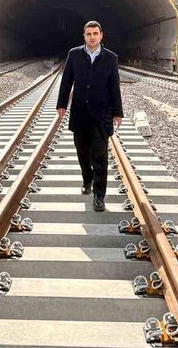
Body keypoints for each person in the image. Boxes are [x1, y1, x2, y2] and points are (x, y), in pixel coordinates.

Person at [56, 21, 123, 212]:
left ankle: (99, 196)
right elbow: (67, 80)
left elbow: (114, 86)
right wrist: (62, 104)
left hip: (102, 114)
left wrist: (117, 112)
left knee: (100, 156)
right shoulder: (74, 54)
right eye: (88, 34)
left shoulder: (110, 58)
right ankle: (87, 179)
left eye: (95, 33)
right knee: (82, 152)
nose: (92, 37)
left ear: (101, 35)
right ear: (84, 36)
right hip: (80, 113)